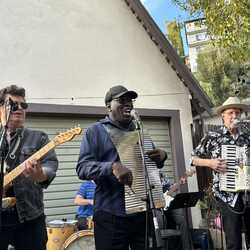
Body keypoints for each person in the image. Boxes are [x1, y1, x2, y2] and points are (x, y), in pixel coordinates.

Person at [76, 85, 167, 250]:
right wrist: (112, 167)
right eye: (121, 100)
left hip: (141, 213)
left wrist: (162, 156)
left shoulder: (139, 130)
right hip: (111, 214)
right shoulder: (96, 131)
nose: (128, 104)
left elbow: (150, 164)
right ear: (108, 105)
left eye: (130, 100)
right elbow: (82, 168)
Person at [0, 85, 58, 250]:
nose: (19, 108)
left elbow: (50, 166)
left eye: (23, 105)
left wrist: (40, 175)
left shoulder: (39, 138)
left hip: (30, 218)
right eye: (13, 104)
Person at [191, 96, 250, 250]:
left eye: (237, 113)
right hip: (227, 197)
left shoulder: (247, 136)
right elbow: (193, 159)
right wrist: (210, 163)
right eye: (231, 112)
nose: (235, 116)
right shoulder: (213, 136)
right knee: (234, 242)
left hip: (248, 194)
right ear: (222, 115)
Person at [160, 172, 194, 250]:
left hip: (167, 205)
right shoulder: (147, 175)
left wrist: (180, 182)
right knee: (161, 221)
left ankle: (187, 247)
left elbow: (170, 189)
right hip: (156, 207)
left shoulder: (162, 174)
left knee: (182, 220)